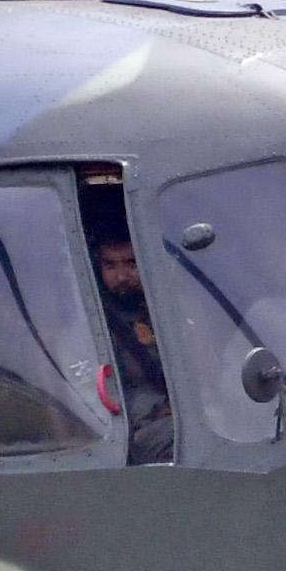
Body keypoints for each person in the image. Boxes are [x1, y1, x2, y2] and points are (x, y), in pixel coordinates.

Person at [85, 194, 174, 466]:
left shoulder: (171, 307)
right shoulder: (91, 322)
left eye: (131, 263)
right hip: (137, 430)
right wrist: (155, 411)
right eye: (110, 265)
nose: (121, 277)